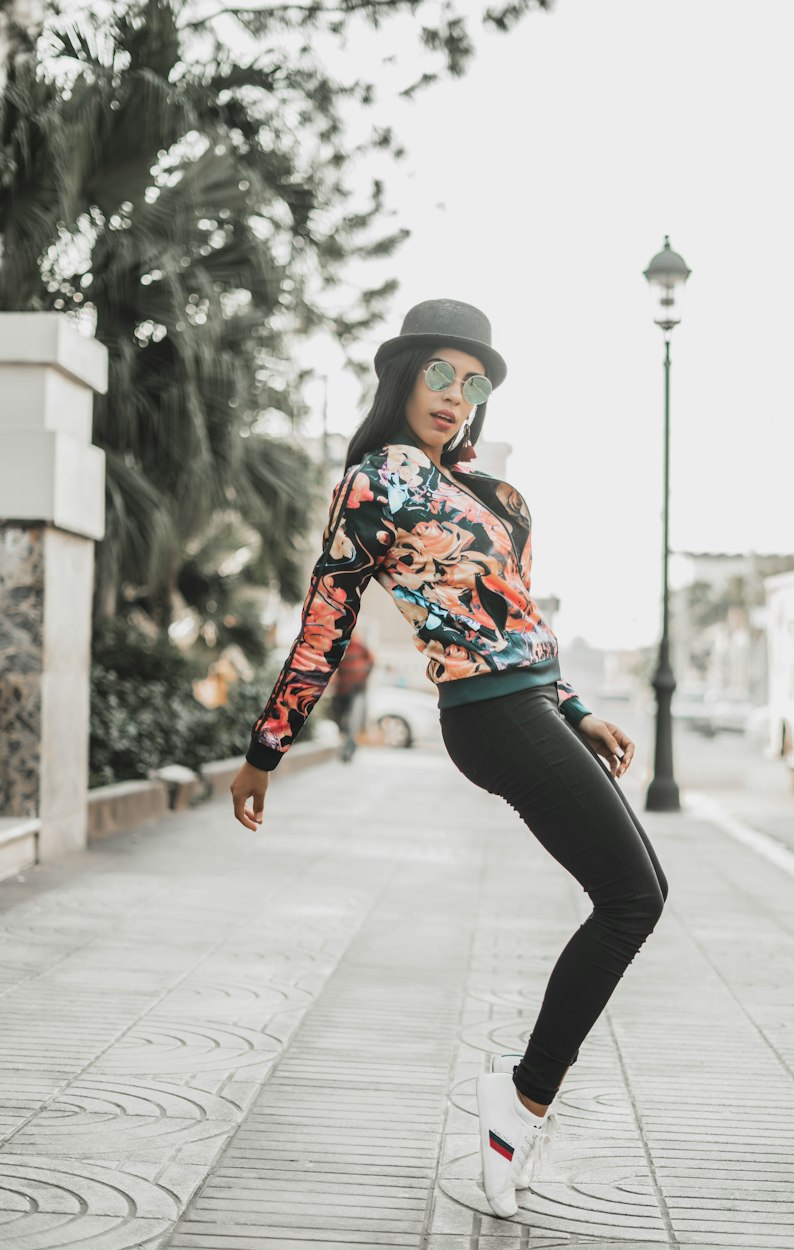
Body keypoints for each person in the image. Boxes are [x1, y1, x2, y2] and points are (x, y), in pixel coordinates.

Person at [229, 298, 668, 1219]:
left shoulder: (501, 498)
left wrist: (580, 708)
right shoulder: (374, 483)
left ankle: (519, 1103)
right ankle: (518, 1105)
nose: (456, 397)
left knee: (640, 894)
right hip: (485, 715)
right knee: (632, 897)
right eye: (441, 375)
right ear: (402, 378)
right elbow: (327, 617)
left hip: (529, 703)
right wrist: (267, 745)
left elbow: (522, 622)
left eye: (474, 384)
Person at [328, 635, 375, 761]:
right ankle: (347, 743)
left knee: (354, 721)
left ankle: (349, 749)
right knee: (339, 719)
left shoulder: (360, 645)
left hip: (357, 689)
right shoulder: (338, 647)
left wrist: (365, 675)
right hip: (342, 690)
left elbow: (372, 660)